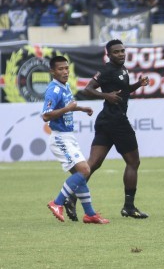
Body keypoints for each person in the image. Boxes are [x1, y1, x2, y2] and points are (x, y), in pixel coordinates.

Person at [77, 39, 150, 220]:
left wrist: (137, 85)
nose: (121, 54)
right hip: (117, 121)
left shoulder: (122, 69)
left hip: (106, 121)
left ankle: (69, 198)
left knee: (93, 164)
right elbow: (87, 89)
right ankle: (129, 207)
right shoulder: (108, 69)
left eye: (122, 51)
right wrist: (106, 96)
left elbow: (123, 91)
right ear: (108, 55)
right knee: (133, 162)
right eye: (116, 52)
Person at [43, 56, 109, 224]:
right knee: (85, 171)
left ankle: (90, 214)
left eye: (66, 68)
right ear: (52, 71)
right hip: (59, 138)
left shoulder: (64, 87)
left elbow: (67, 106)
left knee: (80, 175)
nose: (65, 72)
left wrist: (79, 108)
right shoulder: (54, 90)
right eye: (60, 69)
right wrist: (69, 108)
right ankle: (57, 203)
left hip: (68, 137)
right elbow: (45, 115)